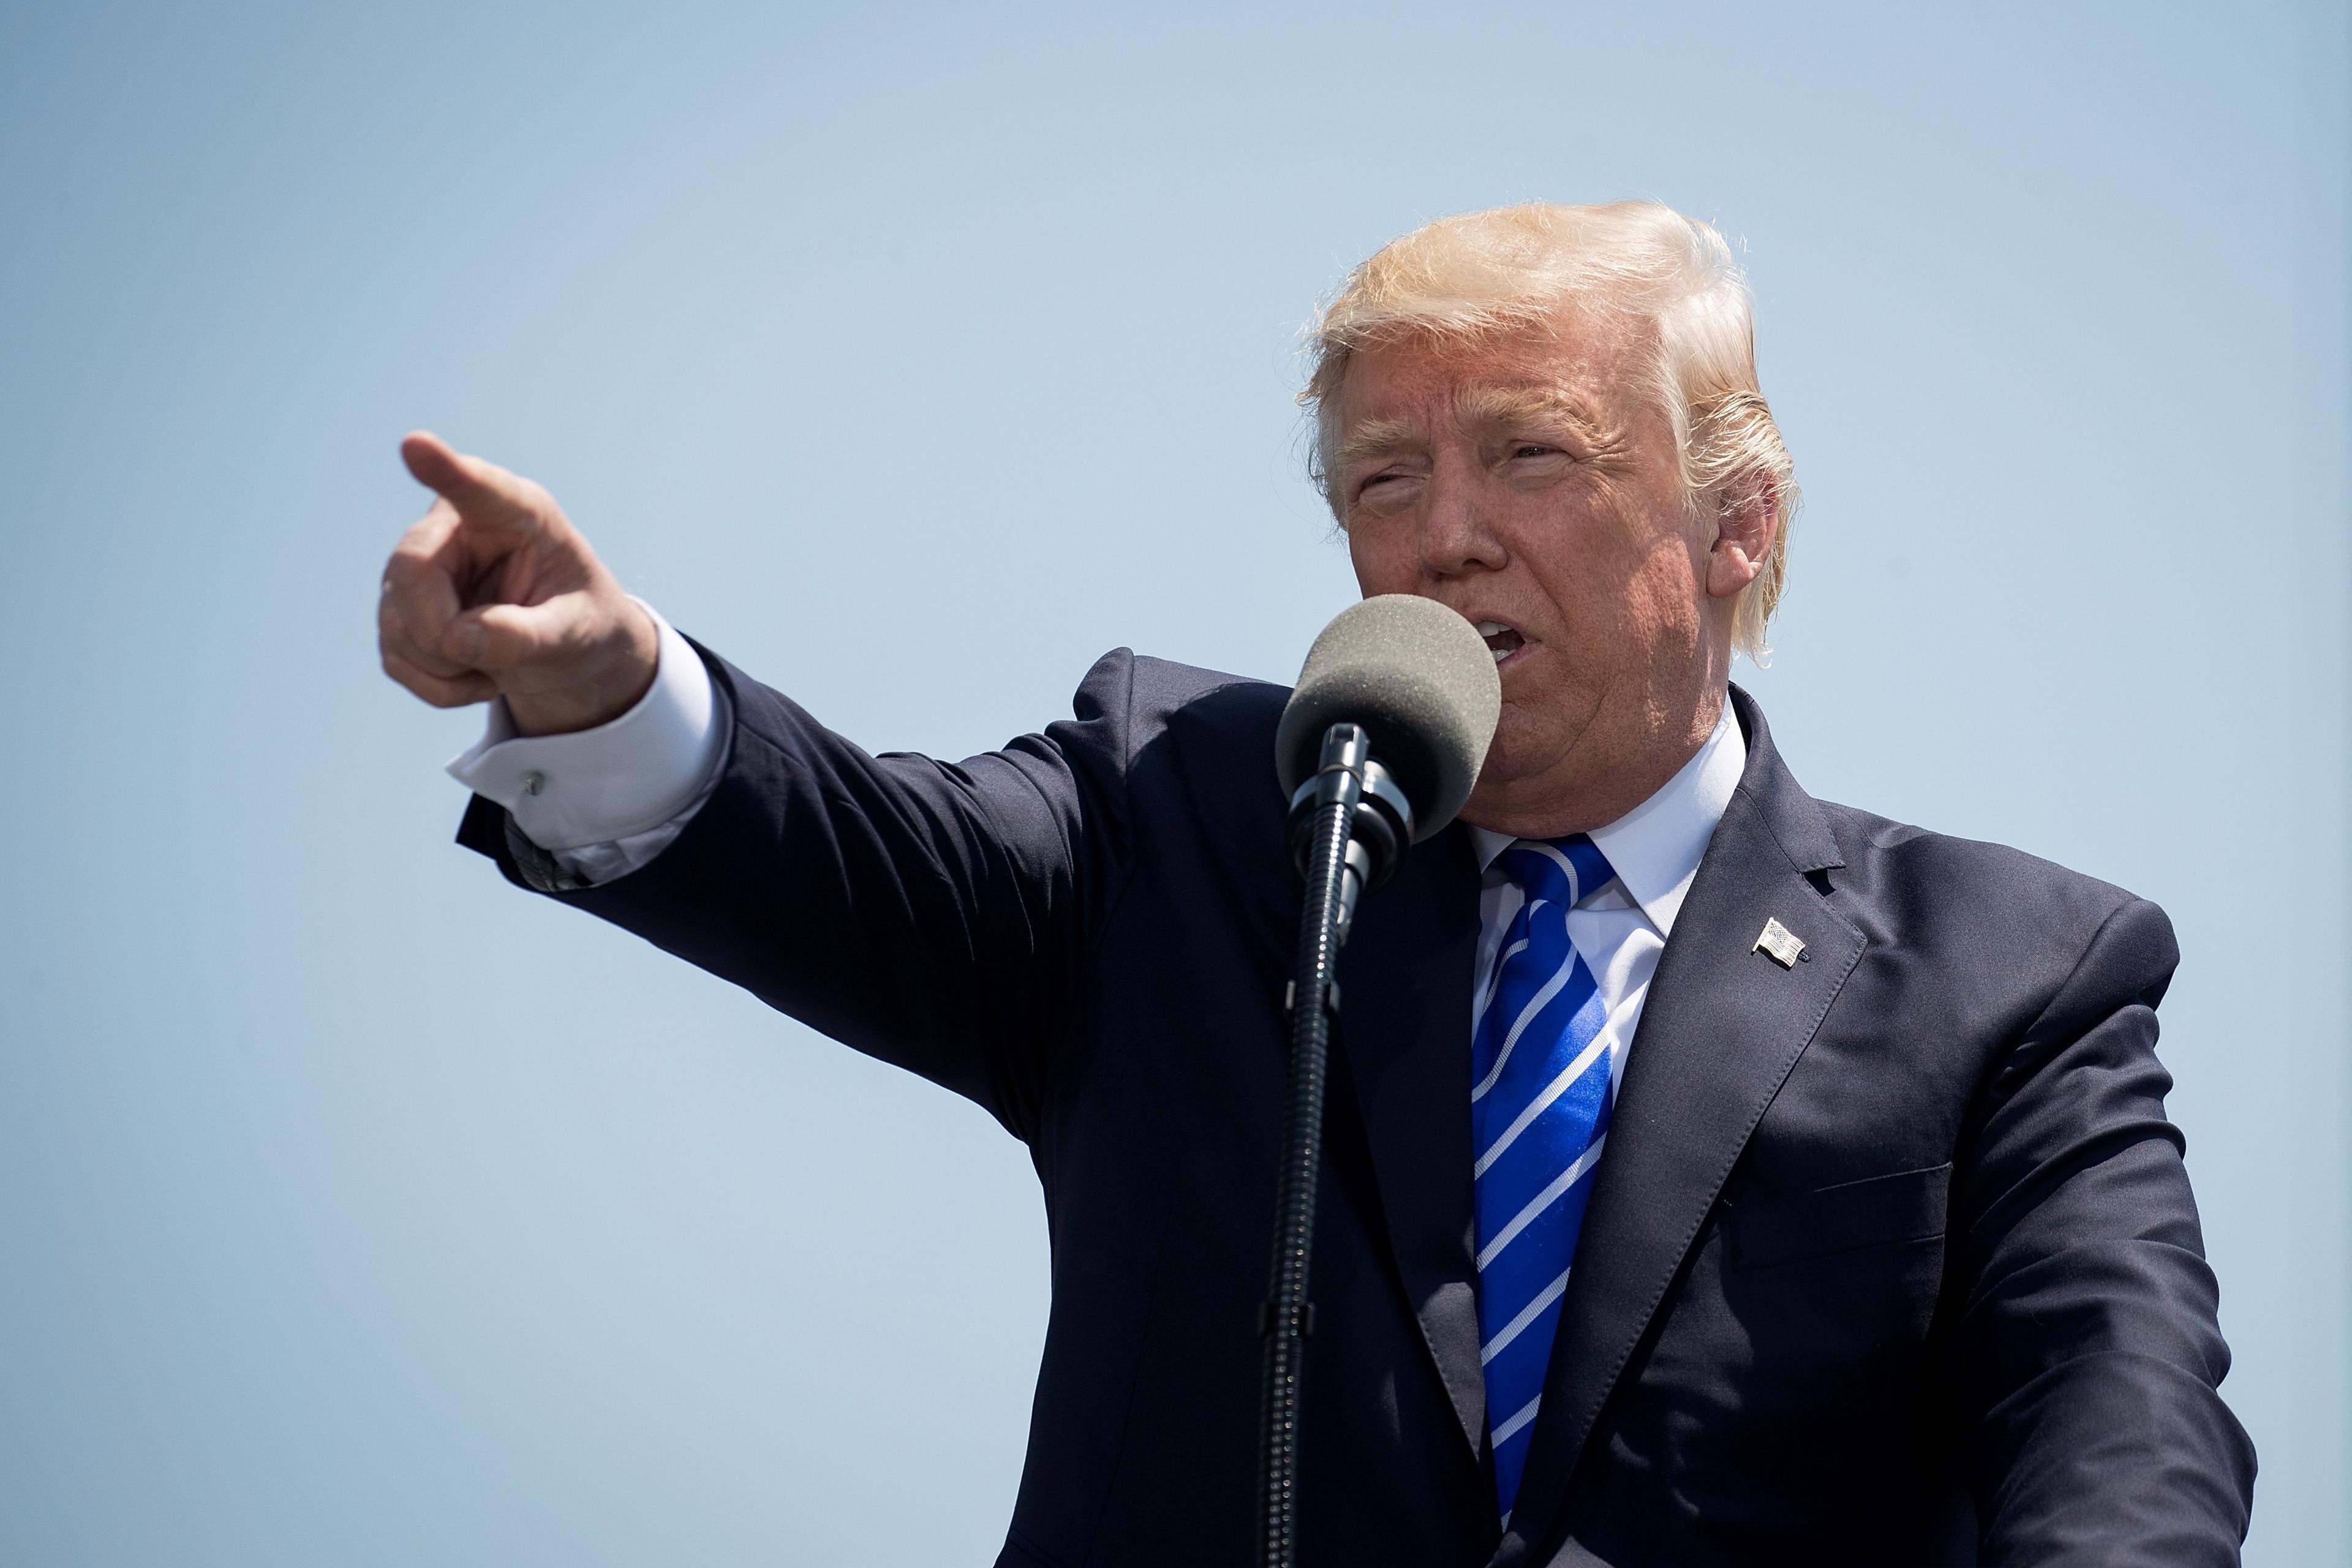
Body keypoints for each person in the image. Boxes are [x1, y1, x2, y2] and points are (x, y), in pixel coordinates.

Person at [377, 202, 2256, 1566]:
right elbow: (864, 863)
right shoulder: (1193, 805)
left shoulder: (2015, 976)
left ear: (1734, 519)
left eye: (1532, 454)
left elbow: (2120, 1432)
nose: (1444, 534)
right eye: (1384, 478)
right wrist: (614, 692)